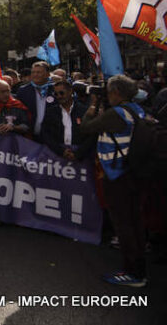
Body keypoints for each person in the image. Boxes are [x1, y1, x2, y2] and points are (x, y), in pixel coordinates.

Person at [80, 75, 148, 287]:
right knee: (134, 221)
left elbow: (86, 127)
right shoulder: (136, 109)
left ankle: (133, 272)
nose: (107, 95)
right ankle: (138, 267)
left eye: (109, 91)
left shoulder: (116, 114)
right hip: (133, 171)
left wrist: (92, 106)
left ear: (116, 92)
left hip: (118, 175)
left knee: (124, 223)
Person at [41, 80, 94, 160]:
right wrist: (61, 151)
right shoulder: (51, 112)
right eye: (56, 94)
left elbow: (91, 136)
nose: (59, 96)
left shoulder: (84, 111)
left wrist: (78, 153)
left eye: (61, 93)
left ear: (70, 91)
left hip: (81, 157)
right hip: (57, 157)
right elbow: (46, 134)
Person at [16, 61, 55, 138]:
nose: (35, 75)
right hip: (30, 135)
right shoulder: (23, 91)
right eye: (33, 72)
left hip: (52, 136)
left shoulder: (55, 89)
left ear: (47, 74)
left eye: (38, 72)